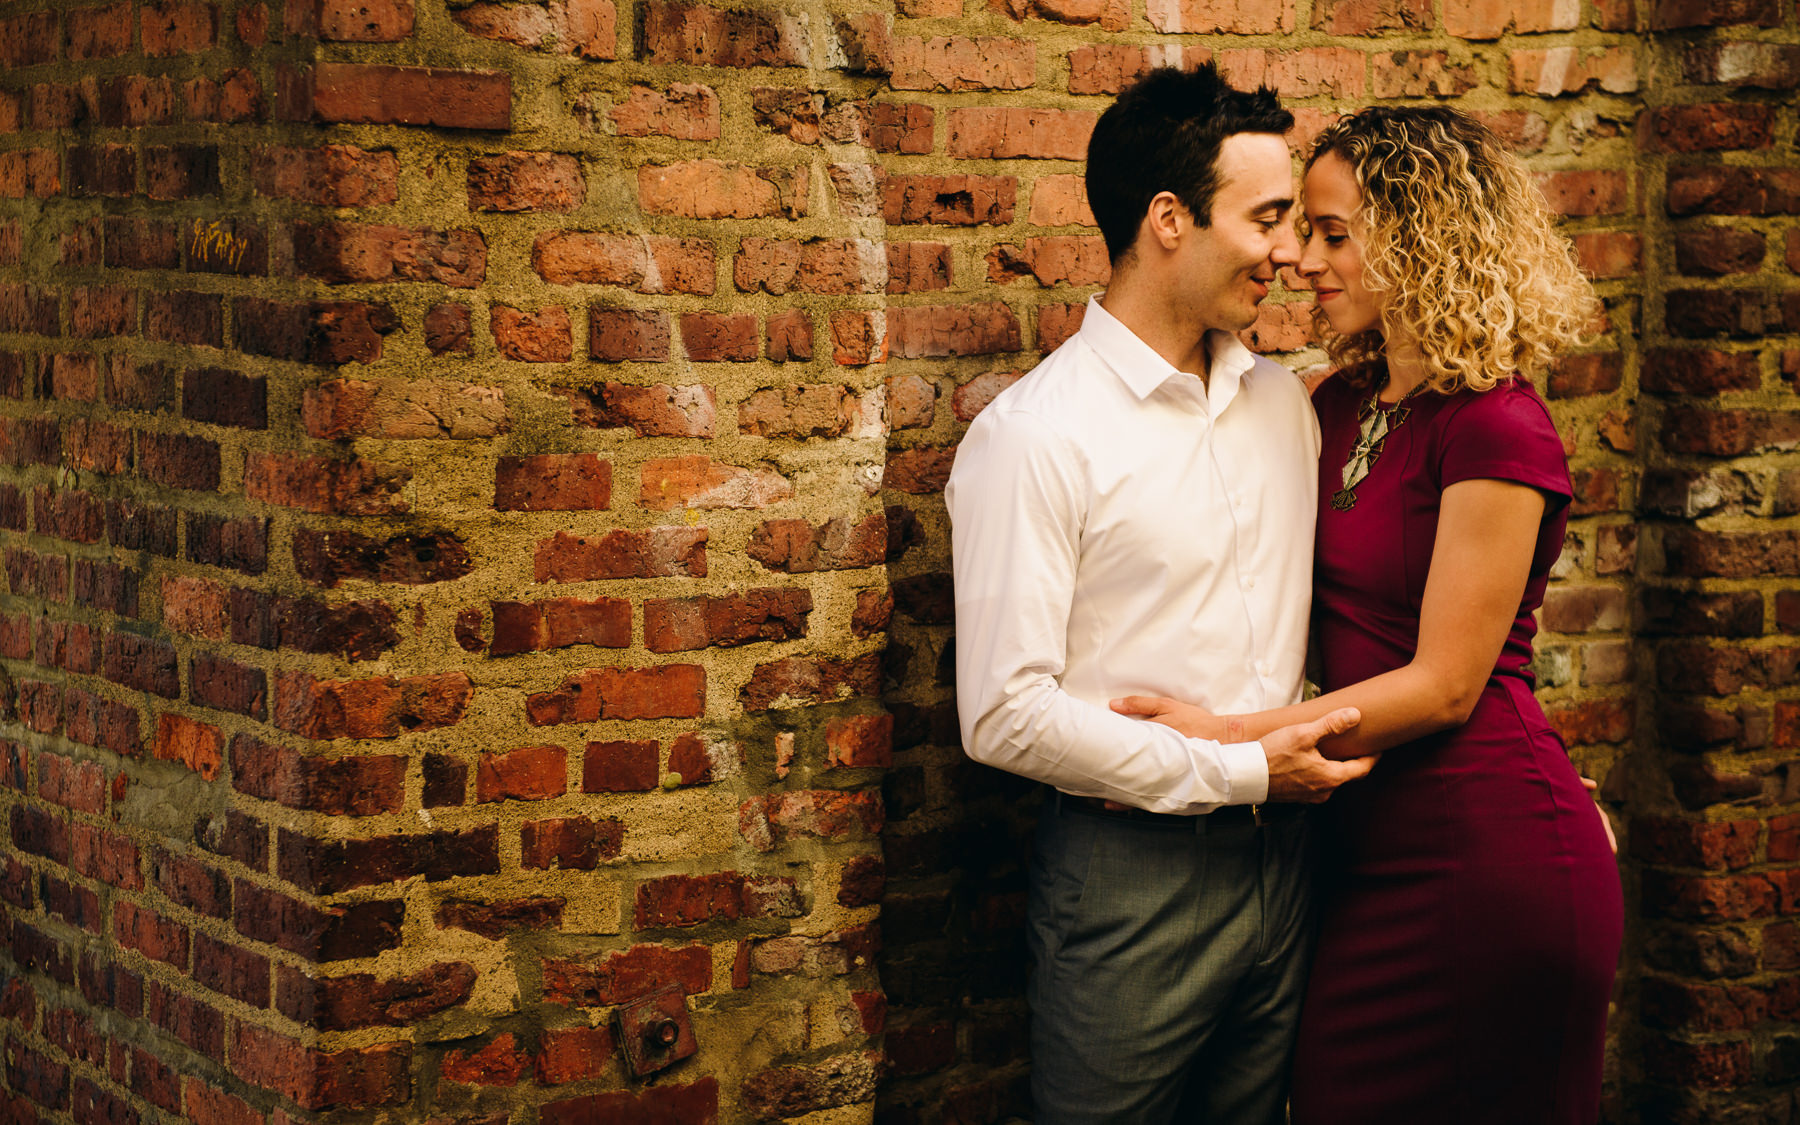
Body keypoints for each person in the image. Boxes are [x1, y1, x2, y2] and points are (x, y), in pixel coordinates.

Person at [1113, 105, 1624, 1124]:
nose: (1300, 258)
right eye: (1304, 227)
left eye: (1333, 233)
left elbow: (1443, 687)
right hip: (1360, 858)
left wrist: (1224, 740)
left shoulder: (1496, 426)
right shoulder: (1333, 409)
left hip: (1489, 858)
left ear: (1420, 241)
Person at [945, 66, 1375, 1125]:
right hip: (1128, 880)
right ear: (1170, 220)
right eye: (1268, 218)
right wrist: (1236, 769)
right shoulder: (1036, 437)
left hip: (1293, 867)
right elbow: (1003, 715)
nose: (1289, 251)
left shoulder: (1287, 406)